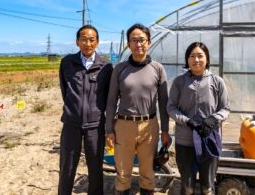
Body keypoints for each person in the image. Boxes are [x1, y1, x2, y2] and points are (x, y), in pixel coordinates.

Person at [105, 23, 171, 195]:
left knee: (147, 171)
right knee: (123, 171)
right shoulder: (120, 69)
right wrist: (109, 129)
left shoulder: (157, 68)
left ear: (148, 42)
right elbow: (111, 101)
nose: (138, 44)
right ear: (129, 44)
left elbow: (164, 102)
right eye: (134, 40)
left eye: (142, 40)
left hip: (149, 125)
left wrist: (165, 130)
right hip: (124, 125)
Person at [167, 42, 230, 195]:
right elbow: (171, 107)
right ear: (187, 60)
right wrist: (187, 120)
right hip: (185, 141)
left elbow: (225, 108)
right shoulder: (179, 82)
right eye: (192, 56)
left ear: (207, 59)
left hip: (209, 139)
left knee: (207, 188)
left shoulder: (217, 81)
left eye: (200, 56)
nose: (196, 60)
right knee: (187, 187)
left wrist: (213, 119)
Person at [58, 24, 113, 195]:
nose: (87, 43)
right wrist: (72, 110)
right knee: (67, 165)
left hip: (95, 125)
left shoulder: (105, 66)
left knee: (95, 166)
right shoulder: (67, 62)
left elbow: (108, 96)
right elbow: (64, 91)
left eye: (91, 40)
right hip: (71, 123)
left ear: (97, 42)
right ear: (77, 41)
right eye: (83, 39)